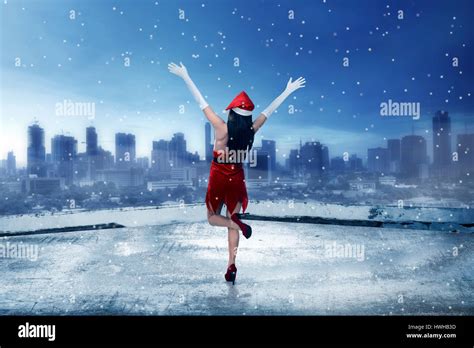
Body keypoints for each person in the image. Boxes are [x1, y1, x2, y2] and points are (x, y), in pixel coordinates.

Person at [168, 62, 306, 284]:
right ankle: (231, 264)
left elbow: (200, 101)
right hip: (237, 179)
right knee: (234, 217)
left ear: (231, 113)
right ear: (248, 117)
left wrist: (185, 76)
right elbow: (269, 111)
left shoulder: (221, 128)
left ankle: (236, 224)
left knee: (213, 218)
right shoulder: (252, 130)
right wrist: (287, 91)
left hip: (218, 178)